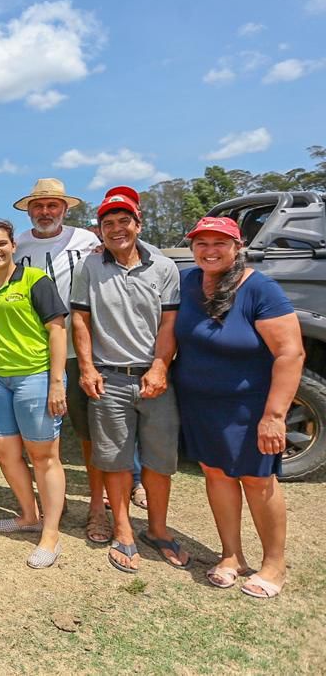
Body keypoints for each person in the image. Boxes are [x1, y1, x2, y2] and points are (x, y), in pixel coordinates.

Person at [174, 217, 302, 598]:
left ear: (237, 246)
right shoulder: (188, 282)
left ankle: (274, 564)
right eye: (202, 243)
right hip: (200, 404)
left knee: (258, 479)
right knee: (216, 476)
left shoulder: (260, 289)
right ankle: (232, 556)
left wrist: (275, 416)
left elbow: (290, 353)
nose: (209, 250)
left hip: (249, 407)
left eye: (220, 243)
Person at [70, 189, 190, 574]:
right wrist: (87, 368)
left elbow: (169, 322)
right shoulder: (90, 267)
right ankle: (123, 529)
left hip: (154, 377)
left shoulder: (164, 267)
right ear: (99, 230)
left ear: (138, 224)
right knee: (114, 460)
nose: (117, 229)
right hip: (108, 378)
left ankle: (157, 528)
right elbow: (81, 320)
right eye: (108, 224)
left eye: (124, 221)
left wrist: (160, 367)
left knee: (159, 461)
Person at [12, 178, 108, 542]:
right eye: (38, 206)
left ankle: (97, 509)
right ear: (29, 210)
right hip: (33, 354)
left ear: (65, 209)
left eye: (52, 205)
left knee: (89, 435)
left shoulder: (87, 242)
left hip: (80, 351)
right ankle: (52, 502)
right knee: (37, 438)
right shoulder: (18, 244)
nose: (45, 212)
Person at [0, 221, 68, 568]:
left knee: (43, 455)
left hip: (35, 376)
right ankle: (29, 516)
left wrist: (56, 382)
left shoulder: (35, 281)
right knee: (4, 449)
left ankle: (51, 534)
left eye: (2, 243)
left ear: (14, 246)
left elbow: (57, 331)